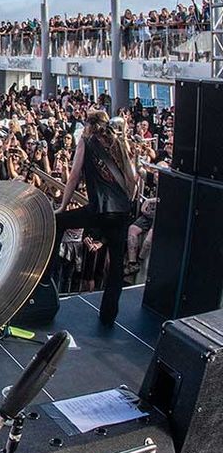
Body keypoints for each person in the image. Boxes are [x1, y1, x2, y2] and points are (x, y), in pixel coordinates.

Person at [48, 110, 138, 325]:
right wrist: (127, 202)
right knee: (116, 266)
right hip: (121, 212)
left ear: (88, 124)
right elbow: (133, 180)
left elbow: (74, 176)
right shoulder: (119, 143)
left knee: (58, 222)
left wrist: (62, 206)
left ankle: (46, 280)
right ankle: (108, 316)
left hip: (99, 210)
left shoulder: (86, 142)